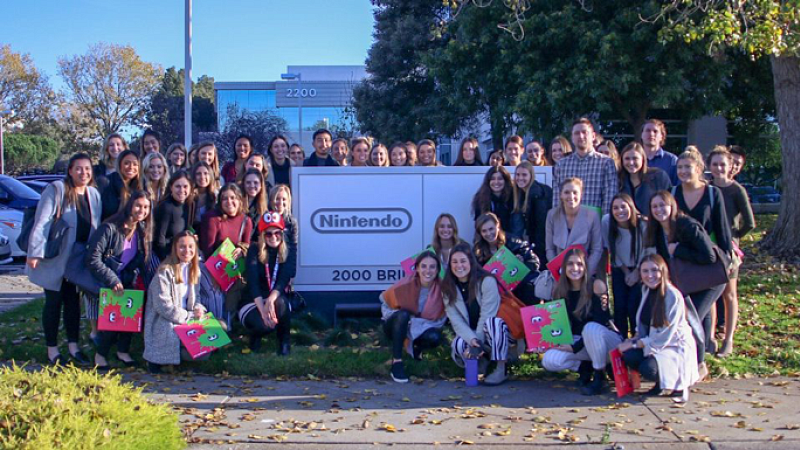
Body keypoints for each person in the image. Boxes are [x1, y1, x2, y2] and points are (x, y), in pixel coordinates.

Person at [27, 153, 102, 366]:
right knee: (53, 302)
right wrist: (34, 252)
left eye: (87, 169)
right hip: (56, 257)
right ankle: (52, 350)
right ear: (70, 170)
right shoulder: (57, 190)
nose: (83, 173)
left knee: (73, 304)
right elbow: (42, 222)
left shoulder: (93, 194)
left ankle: (73, 346)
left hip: (78, 260)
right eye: (78, 168)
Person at [646, 190, 722, 380]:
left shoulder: (686, 225)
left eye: (663, 205)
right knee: (698, 317)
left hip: (709, 280)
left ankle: (698, 364)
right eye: (655, 206)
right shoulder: (657, 230)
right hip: (687, 282)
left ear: (672, 206)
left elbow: (709, 256)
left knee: (691, 319)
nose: (659, 210)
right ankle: (698, 362)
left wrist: (679, 249)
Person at [86, 191, 152, 371]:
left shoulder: (141, 229)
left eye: (146, 207)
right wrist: (112, 279)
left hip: (127, 278)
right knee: (112, 321)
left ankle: (123, 351)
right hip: (107, 279)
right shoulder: (110, 228)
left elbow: (138, 257)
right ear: (130, 205)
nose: (142, 210)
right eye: (138, 205)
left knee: (130, 317)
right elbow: (93, 258)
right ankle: (100, 354)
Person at [541, 248, 621, 395]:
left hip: (606, 340)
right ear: (564, 268)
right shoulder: (559, 291)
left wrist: (574, 348)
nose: (575, 268)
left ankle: (600, 377)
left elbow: (601, 322)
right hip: (581, 342)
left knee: (591, 328)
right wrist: (548, 342)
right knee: (549, 360)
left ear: (585, 267)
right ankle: (585, 367)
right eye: (570, 264)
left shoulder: (596, 285)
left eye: (579, 264)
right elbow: (559, 326)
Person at [619, 254, 700, 399]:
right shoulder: (646, 291)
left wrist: (636, 344)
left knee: (648, 369)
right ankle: (660, 385)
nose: (650, 275)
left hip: (673, 346)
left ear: (663, 271)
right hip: (654, 343)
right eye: (645, 271)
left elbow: (664, 335)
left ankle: (677, 384)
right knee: (629, 356)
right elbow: (644, 325)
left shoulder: (672, 295)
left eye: (654, 270)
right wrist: (632, 341)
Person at [442, 243, 513, 385]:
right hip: (473, 333)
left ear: (471, 261)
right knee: (458, 344)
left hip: (495, 334)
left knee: (493, 323)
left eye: (463, 261)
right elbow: (456, 321)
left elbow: (488, 314)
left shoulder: (487, 281)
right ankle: (482, 363)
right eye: (454, 262)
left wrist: (476, 343)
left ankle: (501, 367)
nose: (459, 266)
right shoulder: (447, 288)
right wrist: (472, 340)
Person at [708, 147, 755, 357]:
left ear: (730, 167)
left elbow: (750, 222)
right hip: (709, 246)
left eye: (723, 164)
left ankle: (728, 339)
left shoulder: (737, 190)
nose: (719, 168)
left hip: (730, 249)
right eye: (715, 164)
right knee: (710, 292)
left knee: (729, 293)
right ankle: (709, 338)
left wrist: (734, 237)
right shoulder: (706, 188)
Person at [143, 230, 207, 374]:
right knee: (194, 347)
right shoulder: (164, 272)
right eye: (182, 246)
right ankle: (166, 359)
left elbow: (196, 297)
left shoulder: (194, 270)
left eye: (191, 246)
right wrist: (188, 316)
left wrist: (198, 308)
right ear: (175, 249)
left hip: (187, 318)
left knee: (216, 333)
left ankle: (180, 355)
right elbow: (163, 306)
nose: (187, 251)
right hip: (166, 321)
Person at [380, 250, 447, 383]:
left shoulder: (443, 290)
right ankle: (397, 362)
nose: (427, 271)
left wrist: (417, 324)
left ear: (438, 270)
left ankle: (417, 348)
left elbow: (440, 320)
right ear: (417, 268)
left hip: (423, 327)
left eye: (432, 267)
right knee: (403, 315)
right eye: (423, 266)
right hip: (396, 325)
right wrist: (406, 321)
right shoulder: (406, 284)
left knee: (434, 337)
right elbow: (385, 304)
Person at [243, 212, 295, 355]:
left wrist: (271, 300)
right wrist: (263, 310)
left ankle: (284, 342)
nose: (273, 237)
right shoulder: (254, 250)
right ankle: (255, 338)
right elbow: (253, 283)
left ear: (282, 233)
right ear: (262, 235)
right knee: (263, 325)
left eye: (277, 233)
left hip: (275, 297)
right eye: (268, 234)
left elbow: (283, 279)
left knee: (281, 303)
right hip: (253, 300)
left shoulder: (287, 251)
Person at [602, 193, 647, 338]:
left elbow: (648, 250)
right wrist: (626, 271)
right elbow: (611, 248)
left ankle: (637, 338)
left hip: (641, 268)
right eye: (615, 208)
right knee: (620, 307)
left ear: (631, 207)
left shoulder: (643, 224)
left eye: (623, 206)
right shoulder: (607, 222)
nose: (620, 211)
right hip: (620, 268)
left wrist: (637, 272)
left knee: (634, 306)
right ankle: (620, 341)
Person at [552, 118, 618, 215]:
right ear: (572, 137)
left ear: (593, 136)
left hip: (596, 225)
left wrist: (603, 225)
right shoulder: (561, 165)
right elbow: (557, 200)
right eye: (577, 133)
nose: (581, 136)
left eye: (584, 132)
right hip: (568, 225)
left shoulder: (606, 163)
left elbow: (609, 199)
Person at [473, 213, 540, 303]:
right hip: (497, 294)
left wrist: (521, 264)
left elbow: (534, 261)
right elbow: (477, 277)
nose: (489, 233)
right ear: (480, 233)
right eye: (484, 231)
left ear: (498, 226)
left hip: (520, 289)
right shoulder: (478, 252)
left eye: (491, 229)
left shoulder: (512, 241)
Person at [545, 178, 604, 279]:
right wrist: (558, 271)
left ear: (581, 195)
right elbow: (549, 248)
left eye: (575, 192)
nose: (571, 196)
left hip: (585, 273)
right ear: (561, 195)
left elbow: (597, 249)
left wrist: (584, 273)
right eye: (567, 192)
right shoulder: (552, 215)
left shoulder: (593, 216)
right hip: (560, 274)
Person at [514, 161, 553, 265]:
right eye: (517, 174)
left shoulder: (537, 195)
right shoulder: (521, 193)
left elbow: (541, 226)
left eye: (524, 175)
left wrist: (537, 251)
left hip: (541, 244)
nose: (520, 178)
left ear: (531, 176)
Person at [618, 142, 671, 217]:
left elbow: (669, 201)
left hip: (654, 221)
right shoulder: (620, 180)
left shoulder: (658, 176)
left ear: (643, 159)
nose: (631, 162)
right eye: (627, 159)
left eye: (635, 158)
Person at [154, 171, 193, 260]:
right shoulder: (166, 207)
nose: (182, 190)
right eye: (177, 186)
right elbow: (160, 239)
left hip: (182, 252)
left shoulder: (188, 204)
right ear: (171, 187)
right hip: (167, 255)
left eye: (185, 186)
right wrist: (167, 260)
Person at [471, 166, 520, 235]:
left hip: (510, 241)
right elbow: (478, 226)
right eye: (493, 179)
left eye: (500, 179)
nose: (496, 182)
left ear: (506, 180)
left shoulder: (514, 198)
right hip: (488, 240)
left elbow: (517, 226)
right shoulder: (480, 199)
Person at [101, 150, 143, 220]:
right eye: (126, 163)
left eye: (135, 164)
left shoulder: (139, 187)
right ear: (120, 165)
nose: (131, 167)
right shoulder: (105, 182)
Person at [640, 119, 678, 185]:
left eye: (655, 131)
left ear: (662, 136)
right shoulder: (633, 159)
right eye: (648, 130)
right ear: (641, 135)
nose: (651, 134)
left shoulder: (672, 160)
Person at [269, 185, 298, 264]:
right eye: (277, 199)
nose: (280, 203)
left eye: (284, 199)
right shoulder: (265, 220)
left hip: (284, 266)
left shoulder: (292, 223)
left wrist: (289, 272)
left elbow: (293, 250)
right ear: (271, 200)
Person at [188, 162, 218, 231]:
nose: (202, 177)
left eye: (206, 173)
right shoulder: (188, 195)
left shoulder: (216, 196)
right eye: (198, 174)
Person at [241, 169, 269, 233]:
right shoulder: (237, 202)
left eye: (256, 182)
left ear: (261, 185)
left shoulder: (264, 206)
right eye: (248, 182)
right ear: (243, 184)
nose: (252, 186)